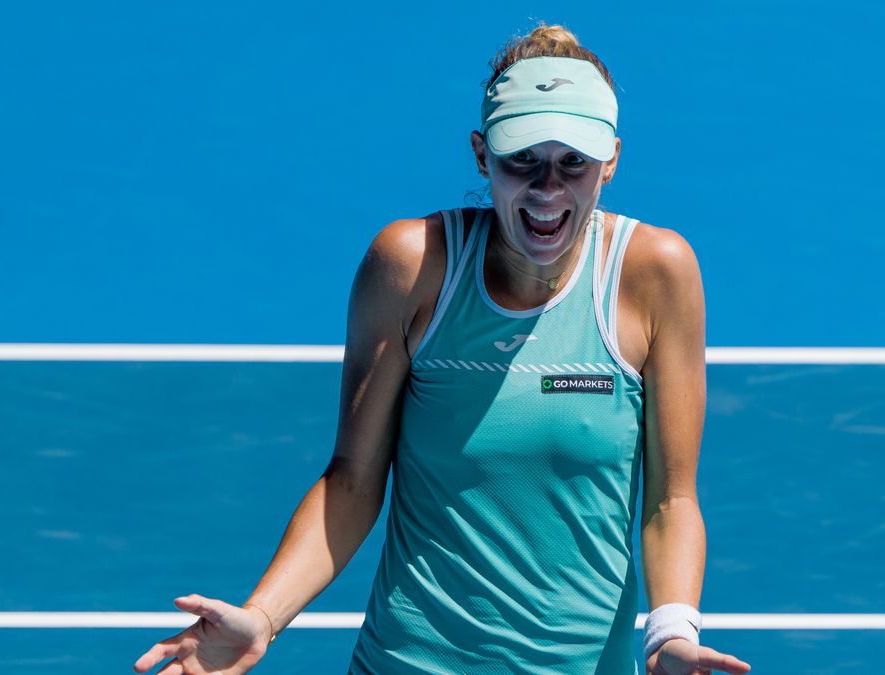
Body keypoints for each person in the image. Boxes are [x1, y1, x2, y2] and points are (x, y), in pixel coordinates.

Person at [133, 24, 751, 675]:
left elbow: (670, 499)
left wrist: (671, 632)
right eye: (522, 161)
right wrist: (263, 616)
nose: (547, 187)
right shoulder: (412, 265)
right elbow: (351, 478)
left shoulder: (656, 272)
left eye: (574, 161)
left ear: (613, 160)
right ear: (482, 155)